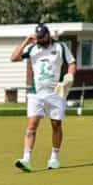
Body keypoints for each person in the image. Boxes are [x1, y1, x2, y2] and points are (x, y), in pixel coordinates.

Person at [11, 23, 76, 172]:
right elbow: (14, 58)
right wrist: (26, 41)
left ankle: (54, 158)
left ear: (48, 35)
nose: (40, 39)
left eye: (43, 37)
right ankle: (26, 159)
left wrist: (70, 75)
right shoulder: (32, 48)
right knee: (31, 125)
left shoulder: (60, 47)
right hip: (36, 93)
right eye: (38, 37)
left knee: (56, 124)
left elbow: (71, 63)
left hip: (56, 92)